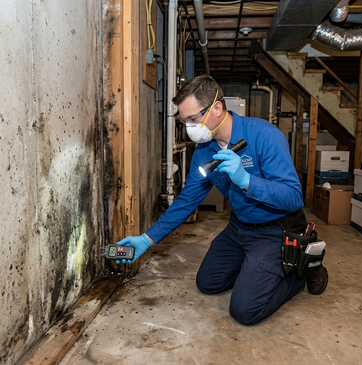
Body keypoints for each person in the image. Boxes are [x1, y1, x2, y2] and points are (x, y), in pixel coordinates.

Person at [115, 75, 328, 325]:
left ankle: (301, 271)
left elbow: (293, 197)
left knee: (245, 311)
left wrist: (246, 180)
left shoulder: (264, 135)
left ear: (216, 108)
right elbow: (187, 201)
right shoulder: (205, 151)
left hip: (275, 230)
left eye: (193, 118)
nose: (189, 126)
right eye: (184, 120)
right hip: (239, 228)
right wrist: (146, 239)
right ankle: (257, 270)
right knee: (208, 283)